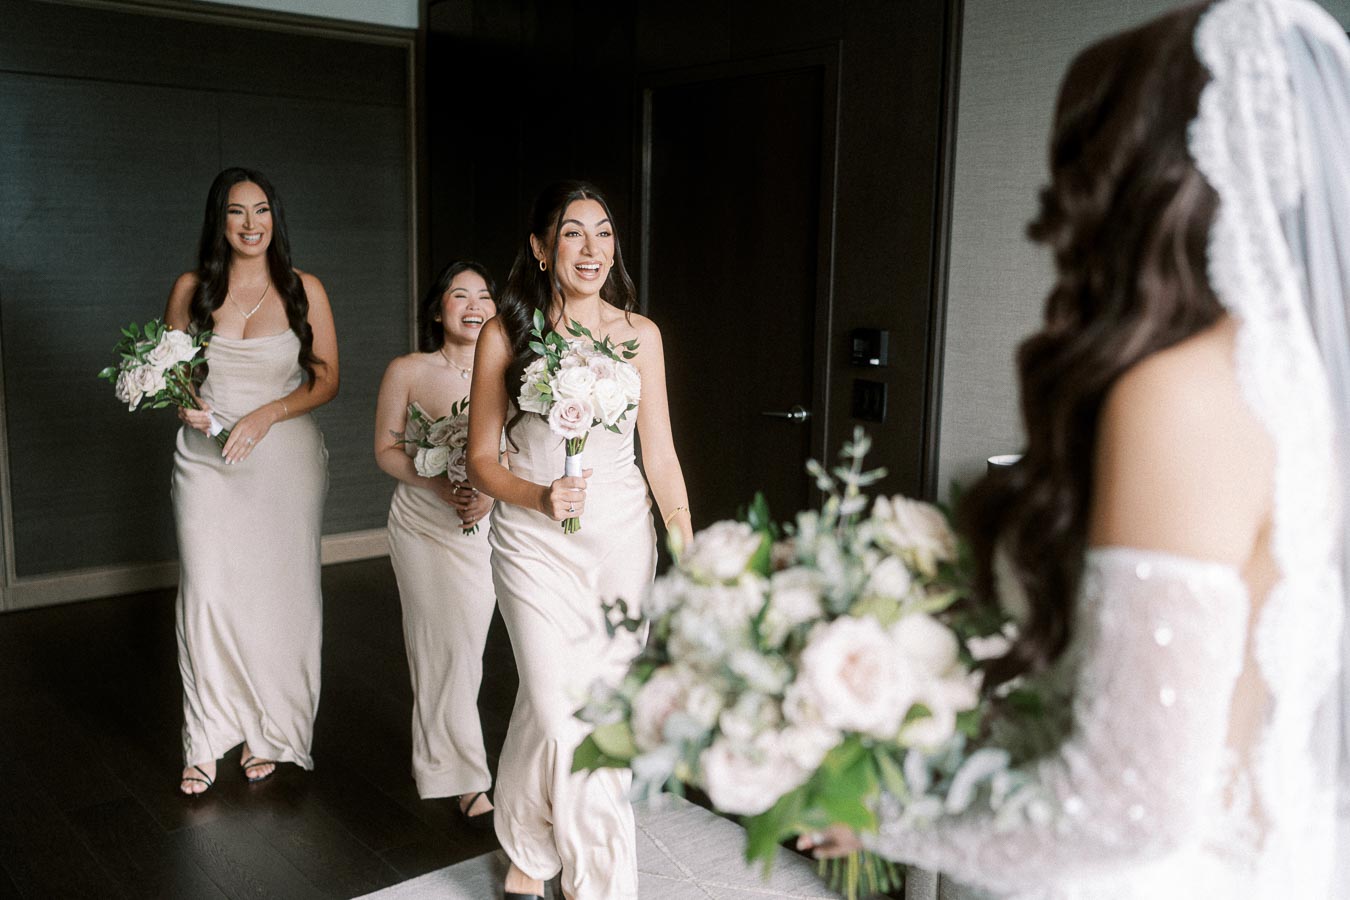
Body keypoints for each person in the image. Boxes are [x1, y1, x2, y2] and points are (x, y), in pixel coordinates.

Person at [802, 0, 1349, 896]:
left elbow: (1130, 808)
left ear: (1145, 173)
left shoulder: (1186, 392)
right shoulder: (1318, 387)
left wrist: (883, 811)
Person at [466, 181, 692, 899]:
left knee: (583, 709)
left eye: (603, 232)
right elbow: (479, 459)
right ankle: (601, 884)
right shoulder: (506, 334)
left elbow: (658, 454)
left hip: (622, 543)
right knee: (564, 709)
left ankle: (530, 852)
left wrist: (689, 547)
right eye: (572, 233)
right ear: (539, 247)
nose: (591, 249)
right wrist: (538, 494)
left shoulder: (640, 335)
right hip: (533, 545)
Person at [167, 167, 338, 796]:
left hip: (282, 457)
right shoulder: (191, 288)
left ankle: (271, 732)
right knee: (207, 592)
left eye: (261, 210)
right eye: (237, 213)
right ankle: (206, 737)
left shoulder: (303, 289)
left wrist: (267, 414)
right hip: (205, 458)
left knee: (280, 595)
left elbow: (327, 381)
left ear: (275, 218)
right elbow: (170, 371)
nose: (250, 224)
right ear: (220, 221)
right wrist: (185, 403)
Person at [373, 260, 498, 826]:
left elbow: (516, 453)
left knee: (466, 650)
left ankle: (457, 762)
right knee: (437, 647)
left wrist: (490, 496)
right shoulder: (408, 369)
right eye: (459, 295)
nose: (474, 305)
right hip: (423, 525)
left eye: (484, 295)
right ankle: (462, 775)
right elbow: (386, 449)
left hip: (483, 528)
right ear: (437, 309)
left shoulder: (512, 370)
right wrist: (440, 486)